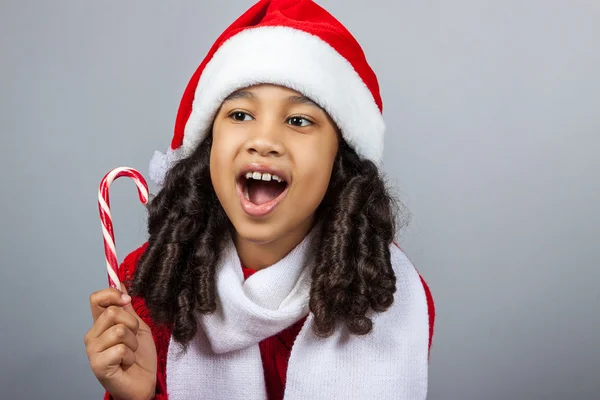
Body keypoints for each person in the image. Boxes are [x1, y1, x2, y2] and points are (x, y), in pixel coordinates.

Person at [84, 0, 435, 399]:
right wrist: (140, 394)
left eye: (299, 120)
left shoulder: (383, 293)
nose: (264, 141)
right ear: (207, 146)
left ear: (340, 162)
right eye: (239, 115)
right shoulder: (153, 284)